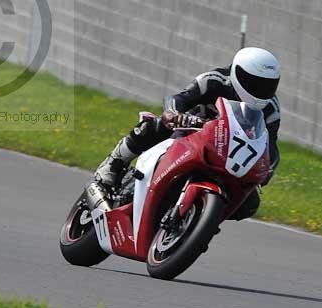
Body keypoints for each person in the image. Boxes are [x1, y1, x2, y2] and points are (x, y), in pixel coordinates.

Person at [91, 47, 281, 221]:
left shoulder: (271, 110)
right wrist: (174, 115)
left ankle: (203, 219)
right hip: (188, 131)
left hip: (226, 153)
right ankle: (113, 164)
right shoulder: (215, 80)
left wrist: (265, 171)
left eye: (267, 85)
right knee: (154, 125)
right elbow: (179, 99)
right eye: (254, 82)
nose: (260, 90)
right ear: (237, 72)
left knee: (249, 203)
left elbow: (270, 148)